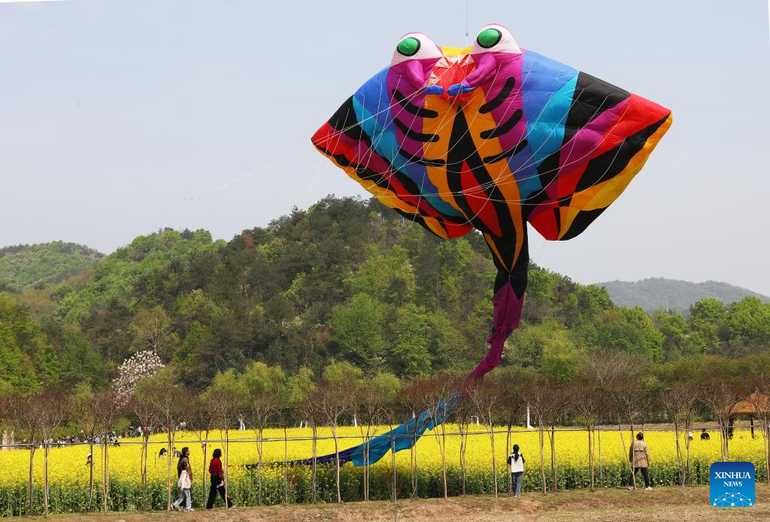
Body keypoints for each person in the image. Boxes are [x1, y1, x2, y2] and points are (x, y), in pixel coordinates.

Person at [172, 447, 193, 512]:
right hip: (185, 484)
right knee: (188, 496)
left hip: (185, 483)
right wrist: (183, 486)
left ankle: (174, 505)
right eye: (188, 451)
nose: (189, 451)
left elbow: (181, 453)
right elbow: (183, 479)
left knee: (182, 496)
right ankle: (187, 508)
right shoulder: (184, 461)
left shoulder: (183, 458)